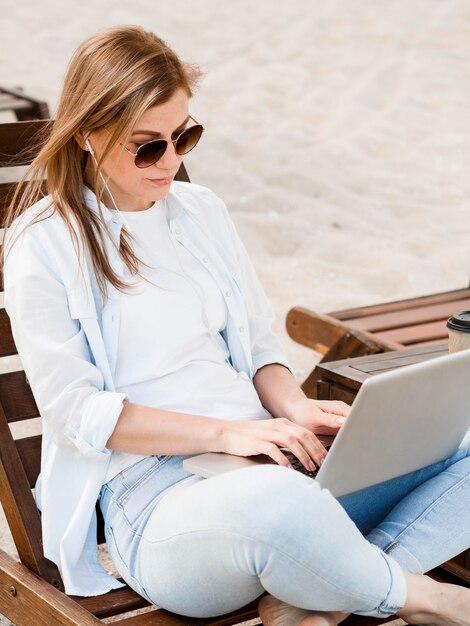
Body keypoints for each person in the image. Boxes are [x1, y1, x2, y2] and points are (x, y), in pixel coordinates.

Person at [2, 25, 469, 626]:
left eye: (184, 136)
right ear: (89, 134)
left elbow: (259, 349)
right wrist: (226, 435)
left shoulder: (203, 213)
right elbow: (78, 414)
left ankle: (314, 596)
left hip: (272, 461)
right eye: (147, 146)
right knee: (279, 506)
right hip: (157, 502)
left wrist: (294, 408)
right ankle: (432, 601)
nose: (170, 161)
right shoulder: (45, 244)